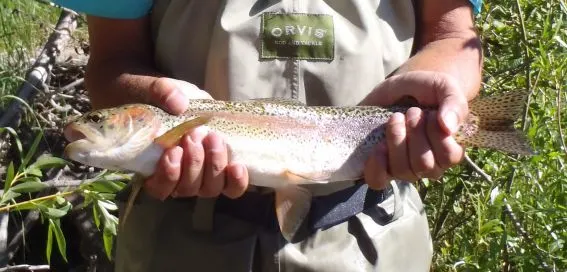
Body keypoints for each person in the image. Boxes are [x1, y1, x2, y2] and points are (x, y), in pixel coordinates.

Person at [54, 0, 483, 271]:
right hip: (180, 246)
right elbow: (113, 57)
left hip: (374, 237)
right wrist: (149, 90)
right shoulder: (166, 127)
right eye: (101, 122)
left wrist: (438, 93)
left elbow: (453, 34)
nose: (90, 127)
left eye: (100, 122)